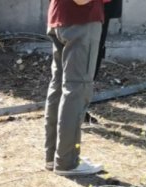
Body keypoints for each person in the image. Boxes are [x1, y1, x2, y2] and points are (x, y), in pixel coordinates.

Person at [44, 0, 105, 176]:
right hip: (80, 19)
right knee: (76, 88)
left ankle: (54, 157)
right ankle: (66, 161)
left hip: (60, 16)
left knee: (59, 86)